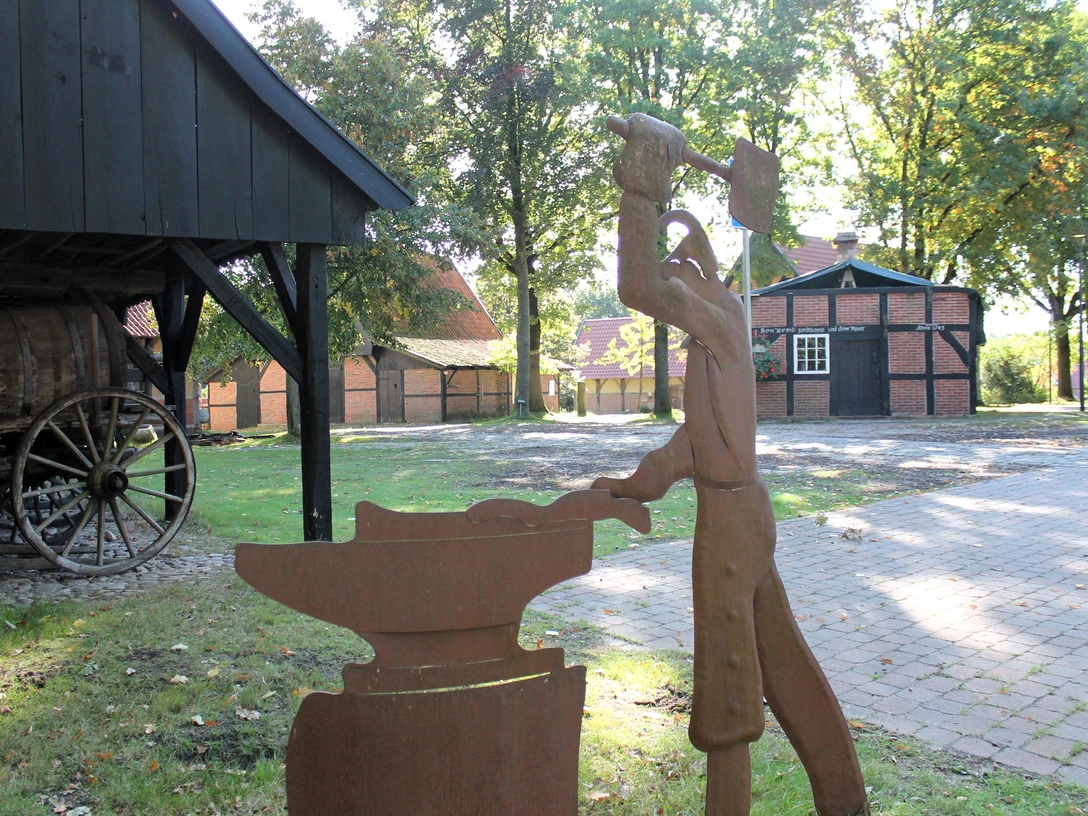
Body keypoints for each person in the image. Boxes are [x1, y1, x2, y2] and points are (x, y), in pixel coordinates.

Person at [592, 112, 868, 816]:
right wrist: (636, 483)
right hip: (734, 512)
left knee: (730, 678)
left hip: (732, 522)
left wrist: (641, 188)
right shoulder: (713, 346)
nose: (672, 283)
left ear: (704, 274)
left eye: (681, 268)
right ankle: (843, 796)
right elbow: (695, 445)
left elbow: (638, 287)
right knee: (776, 656)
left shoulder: (721, 321)